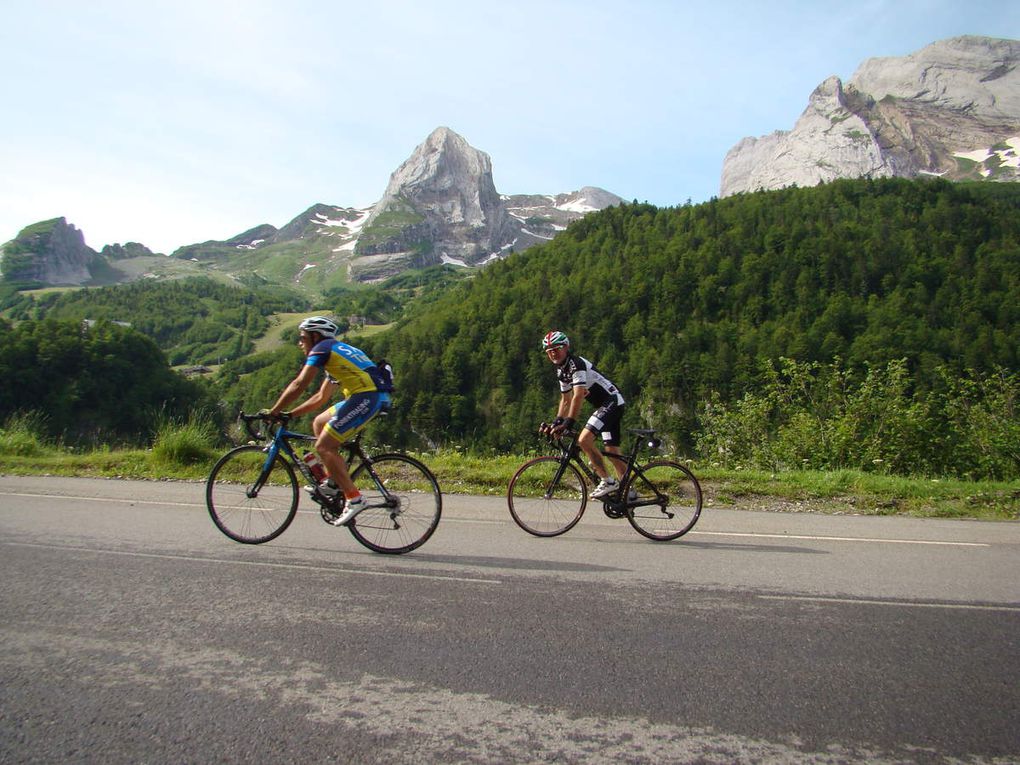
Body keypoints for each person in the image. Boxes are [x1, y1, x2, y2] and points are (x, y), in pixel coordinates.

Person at [265, 316, 393, 525]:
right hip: (363, 396)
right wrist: (289, 415)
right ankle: (332, 481)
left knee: (324, 446)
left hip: (368, 397)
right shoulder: (335, 353)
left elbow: (299, 384)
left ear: (315, 336)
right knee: (318, 423)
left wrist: (274, 411)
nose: (300, 343)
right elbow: (320, 398)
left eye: (303, 338)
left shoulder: (322, 349)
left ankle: (354, 498)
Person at [540, 330, 627, 498]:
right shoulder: (561, 371)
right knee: (613, 452)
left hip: (612, 402)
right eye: (549, 350)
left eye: (556, 348)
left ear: (566, 347)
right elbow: (565, 400)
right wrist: (557, 421)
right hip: (607, 405)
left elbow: (578, 395)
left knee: (584, 440)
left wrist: (569, 422)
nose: (552, 353)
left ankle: (608, 482)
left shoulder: (575, 365)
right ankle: (628, 493)